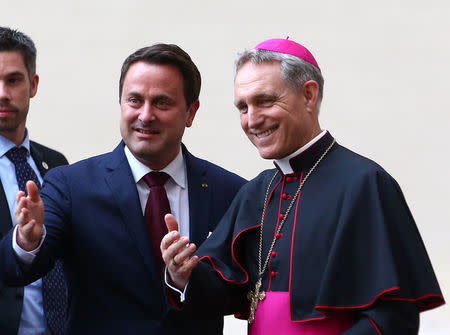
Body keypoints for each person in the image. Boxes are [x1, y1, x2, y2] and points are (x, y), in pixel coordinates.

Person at [160, 38, 445, 334]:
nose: (252, 120)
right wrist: (183, 275)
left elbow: (394, 317)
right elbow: (226, 293)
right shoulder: (257, 191)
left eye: (265, 101)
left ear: (308, 95)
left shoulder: (365, 184)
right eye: (243, 107)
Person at [1, 43, 246, 334]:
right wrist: (27, 241)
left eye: (162, 102)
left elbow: (241, 293)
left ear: (191, 112)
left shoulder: (229, 191)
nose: (145, 115)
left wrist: (186, 281)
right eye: (134, 100)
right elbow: (18, 270)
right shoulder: (71, 185)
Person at [0, 27, 68, 335]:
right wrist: (21, 243)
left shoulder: (56, 165)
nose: (2, 92)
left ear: (33, 84)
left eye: (13, 80)